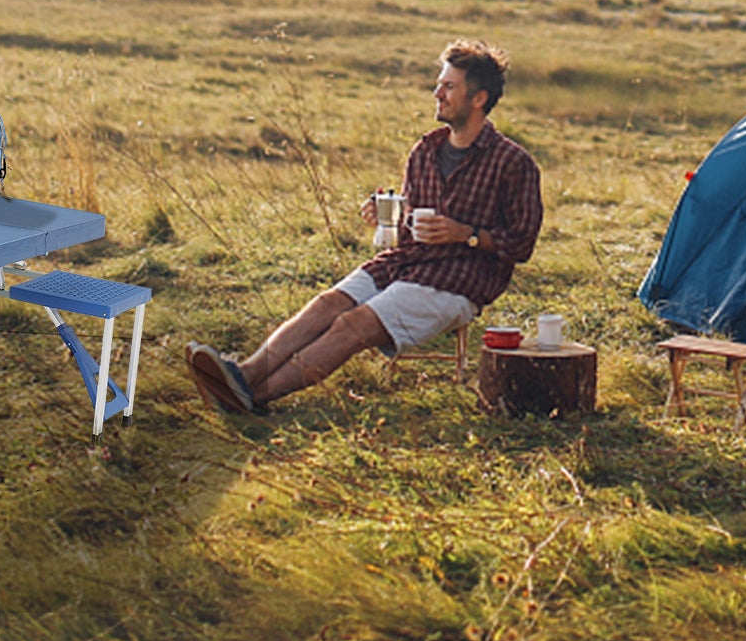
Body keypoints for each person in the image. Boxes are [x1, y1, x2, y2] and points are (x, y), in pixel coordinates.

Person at [186, 38, 542, 414]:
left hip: (457, 279)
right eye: (440, 83)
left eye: (449, 86)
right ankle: (242, 374)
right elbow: (410, 223)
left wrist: (466, 235)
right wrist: (385, 214)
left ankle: (252, 399)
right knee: (328, 304)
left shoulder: (512, 163)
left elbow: (522, 244)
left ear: (478, 98)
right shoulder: (425, 151)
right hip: (404, 262)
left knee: (352, 325)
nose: (437, 93)